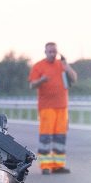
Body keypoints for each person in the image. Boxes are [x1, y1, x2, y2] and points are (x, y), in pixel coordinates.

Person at [28, 42, 78, 174]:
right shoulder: (38, 66)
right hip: (46, 107)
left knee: (60, 138)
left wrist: (67, 67)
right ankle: (45, 166)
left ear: (57, 52)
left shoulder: (61, 65)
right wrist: (41, 80)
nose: (52, 54)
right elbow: (32, 85)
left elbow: (74, 78)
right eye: (49, 51)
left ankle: (58, 166)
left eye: (54, 51)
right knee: (46, 137)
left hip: (62, 107)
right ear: (45, 52)